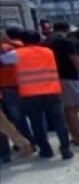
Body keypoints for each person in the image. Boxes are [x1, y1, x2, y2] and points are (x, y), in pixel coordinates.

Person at [7, 30, 72, 159]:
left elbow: (3, 58)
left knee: (37, 123)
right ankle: (66, 149)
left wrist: (7, 42)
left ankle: (46, 150)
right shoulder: (48, 52)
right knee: (59, 121)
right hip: (52, 91)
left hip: (30, 94)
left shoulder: (17, 54)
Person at [47, 24, 79, 147]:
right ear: (67, 30)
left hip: (52, 78)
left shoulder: (46, 41)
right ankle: (78, 138)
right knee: (73, 109)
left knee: (65, 110)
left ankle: (72, 136)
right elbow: (76, 61)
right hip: (69, 77)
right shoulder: (65, 42)